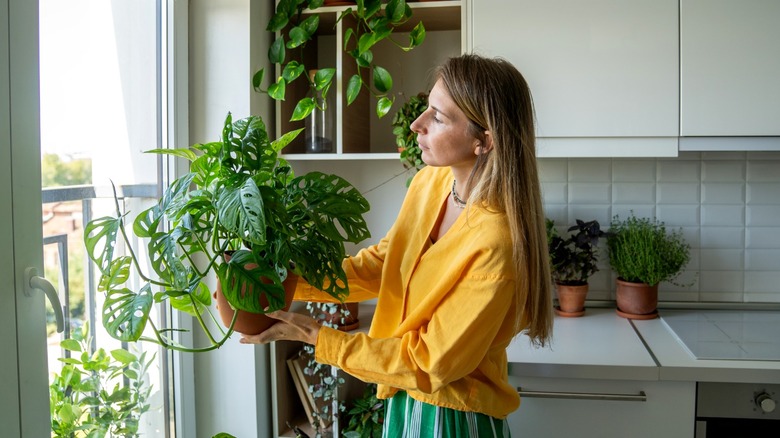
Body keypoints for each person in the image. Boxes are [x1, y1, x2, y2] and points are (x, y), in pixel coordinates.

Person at [240, 53, 553, 436]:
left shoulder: (495, 241)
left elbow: (429, 363)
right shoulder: (432, 183)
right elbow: (383, 266)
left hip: (453, 415)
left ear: (483, 140)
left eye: (437, 117)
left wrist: (313, 336)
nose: (417, 125)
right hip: (404, 397)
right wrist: (283, 277)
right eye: (426, 109)